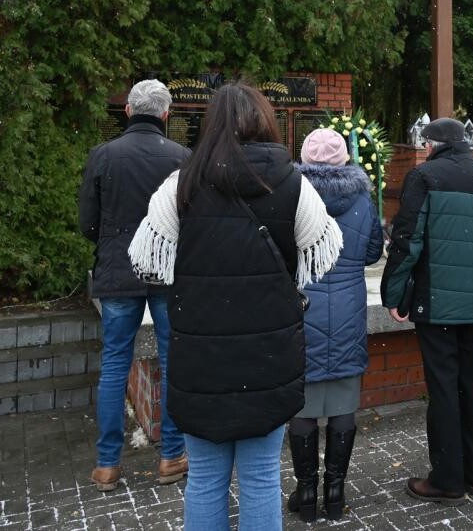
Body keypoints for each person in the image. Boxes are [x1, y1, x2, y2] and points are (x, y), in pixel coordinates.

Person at [127, 82, 342, 529]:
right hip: (268, 357)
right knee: (262, 478)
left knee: (205, 479)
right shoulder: (292, 183)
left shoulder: (180, 184)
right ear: (264, 121)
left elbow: (147, 259)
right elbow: (325, 249)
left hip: (200, 356)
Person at [380, 117, 473, 503]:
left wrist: (393, 295)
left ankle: (447, 480)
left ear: (433, 143)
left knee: (443, 389)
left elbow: (407, 241)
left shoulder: (424, 178)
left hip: (435, 303)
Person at [78, 79, 191, 492]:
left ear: (128, 111)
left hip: (117, 270)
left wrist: (113, 245)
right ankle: (171, 457)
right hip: (166, 271)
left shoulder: (104, 155)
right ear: (165, 114)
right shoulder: (182, 157)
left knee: (113, 365)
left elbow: (87, 221)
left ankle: (107, 465)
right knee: (173, 360)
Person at [287, 128, 384, 522]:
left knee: (304, 402)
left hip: (303, 308)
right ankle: (336, 493)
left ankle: (307, 492)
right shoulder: (362, 198)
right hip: (346, 308)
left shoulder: (293, 196)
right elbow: (374, 251)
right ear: (345, 158)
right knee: (344, 400)